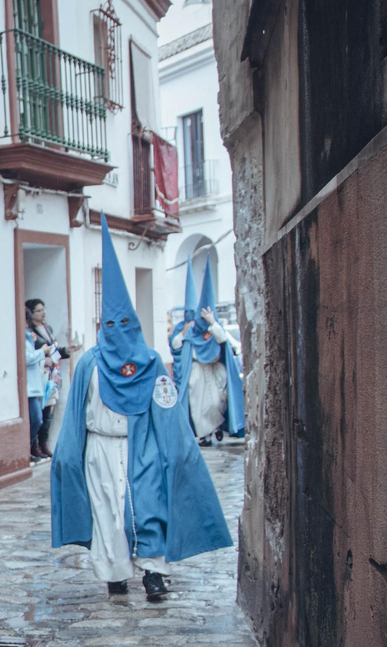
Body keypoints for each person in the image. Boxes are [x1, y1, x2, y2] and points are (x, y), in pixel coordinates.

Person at [51, 220, 232, 601]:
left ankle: (153, 573)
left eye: (125, 323)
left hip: (141, 447)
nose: (117, 330)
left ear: (134, 323)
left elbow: (167, 412)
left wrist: (179, 450)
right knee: (107, 515)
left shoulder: (151, 364)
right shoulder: (89, 364)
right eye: (110, 323)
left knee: (148, 507)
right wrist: (67, 456)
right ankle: (114, 574)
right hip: (99, 450)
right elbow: (74, 416)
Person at [169, 259, 244, 444]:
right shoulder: (189, 331)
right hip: (197, 373)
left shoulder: (214, 328)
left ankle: (217, 427)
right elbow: (177, 346)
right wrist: (185, 332)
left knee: (217, 402)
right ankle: (204, 435)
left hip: (215, 371)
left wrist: (212, 322)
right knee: (198, 405)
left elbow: (223, 340)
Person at [26, 298, 74, 457]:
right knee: (37, 413)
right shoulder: (30, 332)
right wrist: (43, 356)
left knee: (49, 411)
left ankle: (43, 444)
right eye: (38, 310)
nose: (43, 313)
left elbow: (52, 350)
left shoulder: (47, 328)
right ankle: (33, 446)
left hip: (52, 373)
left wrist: (66, 351)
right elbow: (34, 353)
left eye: (43, 309)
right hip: (39, 374)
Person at [24, 317, 55, 462]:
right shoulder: (24, 337)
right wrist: (42, 352)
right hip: (28, 386)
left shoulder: (30, 336)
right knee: (36, 419)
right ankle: (28, 448)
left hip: (36, 383)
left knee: (38, 418)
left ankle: (31, 448)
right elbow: (26, 358)